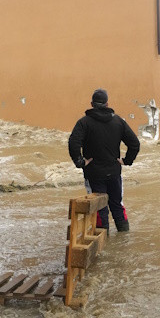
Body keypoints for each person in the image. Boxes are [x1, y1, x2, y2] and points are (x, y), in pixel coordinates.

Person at [68, 88, 140, 232]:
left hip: (94, 174)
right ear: (107, 104)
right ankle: (124, 236)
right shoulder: (118, 121)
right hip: (114, 172)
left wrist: (80, 162)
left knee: (99, 208)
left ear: (92, 104)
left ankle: (103, 243)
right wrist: (127, 161)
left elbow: (73, 143)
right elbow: (134, 143)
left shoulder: (84, 123)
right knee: (117, 204)